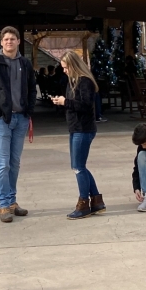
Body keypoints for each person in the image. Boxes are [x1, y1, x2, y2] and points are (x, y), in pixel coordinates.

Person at [0, 26, 36, 223]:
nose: (9, 42)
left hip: (20, 119)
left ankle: (12, 202)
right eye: (6, 39)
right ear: (1, 42)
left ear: (19, 41)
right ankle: (3, 205)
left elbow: (31, 89)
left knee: (15, 163)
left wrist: (28, 111)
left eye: (13, 39)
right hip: (2, 120)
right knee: (2, 164)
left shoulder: (25, 64)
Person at [51, 52, 104, 219]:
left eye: (66, 68)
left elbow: (86, 105)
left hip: (84, 128)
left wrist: (64, 102)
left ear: (74, 65)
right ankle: (96, 201)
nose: (64, 71)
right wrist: (62, 101)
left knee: (78, 167)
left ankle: (84, 203)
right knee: (79, 166)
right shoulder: (72, 81)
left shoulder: (84, 81)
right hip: (76, 128)